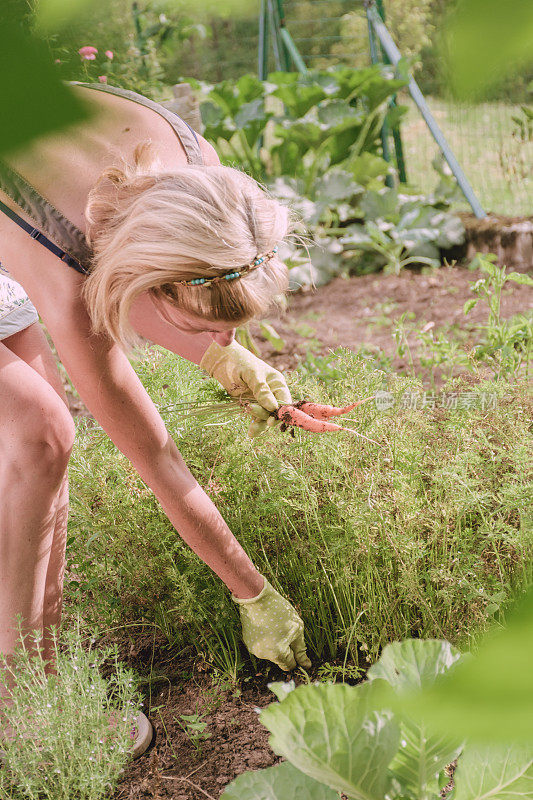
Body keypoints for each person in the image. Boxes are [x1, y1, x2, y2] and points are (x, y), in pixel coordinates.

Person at [0, 81, 312, 759]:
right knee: (39, 434)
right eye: (205, 326)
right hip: (14, 210)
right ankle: (17, 713)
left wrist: (228, 360)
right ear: (149, 276)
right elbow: (159, 464)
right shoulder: (61, 254)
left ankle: (38, 684)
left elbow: (185, 286)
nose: (219, 340)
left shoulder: (201, 177)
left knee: (38, 460)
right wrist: (251, 592)